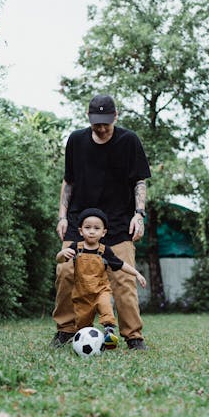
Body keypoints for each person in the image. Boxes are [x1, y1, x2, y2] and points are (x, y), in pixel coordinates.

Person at [51, 94, 151, 350]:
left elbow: (139, 181)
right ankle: (65, 330)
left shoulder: (129, 141)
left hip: (118, 221)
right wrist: (62, 216)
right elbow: (69, 181)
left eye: (107, 122)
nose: (102, 128)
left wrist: (138, 215)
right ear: (89, 118)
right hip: (80, 221)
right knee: (65, 271)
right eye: (97, 123)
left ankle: (133, 336)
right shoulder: (76, 140)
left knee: (124, 277)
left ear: (115, 117)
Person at [56, 208, 147, 348]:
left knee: (106, 306)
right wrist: (62, 253)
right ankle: (87, 341)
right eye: (87, 228)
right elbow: (60, 260)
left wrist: (137, 273)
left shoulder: (105, 251)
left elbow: (121, 264)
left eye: (96, 228)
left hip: (100, 290)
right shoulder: (76, 248)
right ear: (80, 231)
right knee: (83, 325)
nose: (92, 231)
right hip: (82, 294)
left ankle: (109, 331)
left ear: (103, 232)